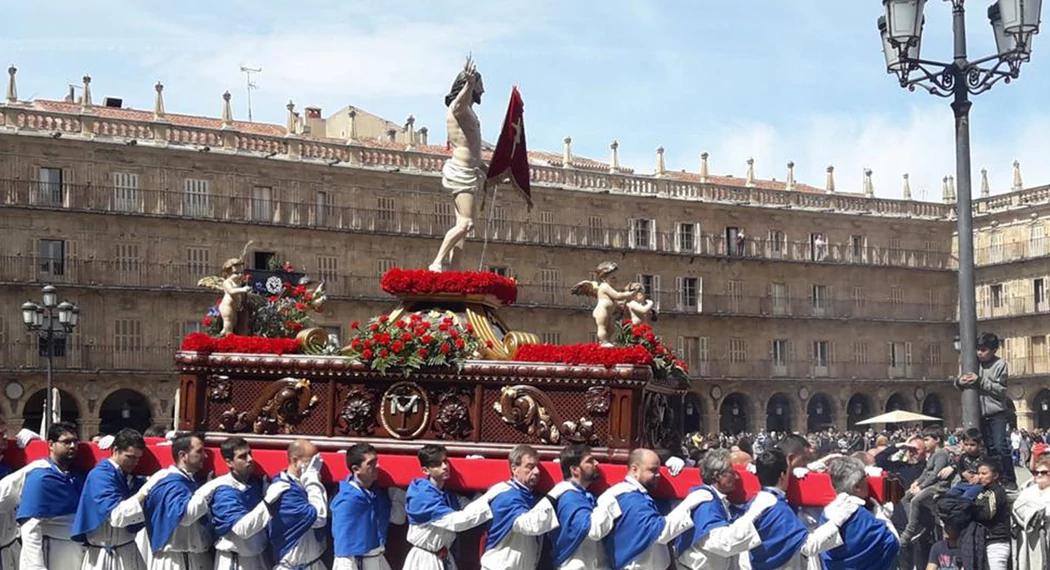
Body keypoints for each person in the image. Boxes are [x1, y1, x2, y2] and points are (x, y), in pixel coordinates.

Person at [590, 448, 699, 570]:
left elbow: (670, 508)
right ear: (635, 469)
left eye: (659, 470)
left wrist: (686, 464)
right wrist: (694, 499)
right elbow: (661, 532)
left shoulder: (644, 495)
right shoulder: (626, 497)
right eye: (653, 470)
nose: (658, 475)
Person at [746, 449, 853, 570]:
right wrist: (838, 520)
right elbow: (808, 546)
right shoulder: (778, 509)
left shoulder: (752, 503)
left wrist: (810, 469)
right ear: (782, 475)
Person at [674, 449, 774, 570]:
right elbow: (723, 544)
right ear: (717, 476)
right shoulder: (706, 503)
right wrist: (756, 510)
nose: (737, 477)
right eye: (732, 472)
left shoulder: (722, 501)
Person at [429, 57, 485, 272]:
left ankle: (454, 269)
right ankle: (436, 262)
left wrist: (488, 170)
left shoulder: (470, 111)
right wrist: (469, 84)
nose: (483, 90)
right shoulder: (458, 108)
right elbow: (458, 105)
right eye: (480, 84)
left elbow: (473, 149)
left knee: (463, 224)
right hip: (461, 171)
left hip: (470, 170)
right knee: (466, 224)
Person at [142, 432, 225, 570]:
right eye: (199, 451)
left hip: (195, 558)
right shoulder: (170, 483)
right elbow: (185, 516)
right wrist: (214, 485)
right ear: (182, 455)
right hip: (176, 561)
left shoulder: (190, 481)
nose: (205, 456)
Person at [404, 444, 493, 570]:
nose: (445, 467)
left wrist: (475, 470)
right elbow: (458, 522)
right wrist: (493, 494)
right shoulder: (421, 496)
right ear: (425, 470)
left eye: (445, 461)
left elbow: (470, 506)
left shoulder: (446, 494)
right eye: (437, 464)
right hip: (424, 559)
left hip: (444, 556)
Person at [72, 428, 149, 570]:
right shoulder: (100, 475)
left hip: (129, 551)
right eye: (130, 457)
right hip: (102, 555)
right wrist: (146, 490)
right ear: (115, 450)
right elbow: (116, 515)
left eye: (138, 458)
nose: (135, 462)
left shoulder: (132, 478)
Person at [18, 421, 87, 570]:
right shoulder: (40, 477)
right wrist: (36, 566)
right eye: (66, 442)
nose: (73, 446)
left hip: (78, 549)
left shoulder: (77, 476)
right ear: (51, 444)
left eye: (75, 441)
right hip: (53, 550)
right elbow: (30, 527)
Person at [478, 444, 558, 570]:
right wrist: (557, 493)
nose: (537, 472)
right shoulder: (505, 495)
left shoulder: (534, 499)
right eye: (530, 467)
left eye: (537, 467)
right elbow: (528, 525)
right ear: (514, 469)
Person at [956, 332, 1016, 490]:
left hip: (996, 412)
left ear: (994, 350)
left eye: (984, 349)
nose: (980, 353)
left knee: (1000, 446)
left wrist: (980, 381)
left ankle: (1010, 479)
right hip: (979, 413)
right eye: (978, 349)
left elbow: (1001, 390)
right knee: (988, 449)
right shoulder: (972, 362)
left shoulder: (1000, 364)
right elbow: (959, 380)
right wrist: (959, 381)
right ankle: (992, 479)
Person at [210, 437, 280, 570]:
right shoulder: (224, 491)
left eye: (250, 454)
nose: (250, 459)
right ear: (229, 462)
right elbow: (242, 529)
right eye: (242, 456)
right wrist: (268, 501)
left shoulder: (255, 484)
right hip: (235, 560)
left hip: (258, 556)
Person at [331, 443, 403, 570]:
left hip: (378, 559)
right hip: (358, 563)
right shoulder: (346, 501)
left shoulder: (375, 494)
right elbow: (343, 546)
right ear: (356, 469)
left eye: (376, 461)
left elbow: (398, 518)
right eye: (371, 463)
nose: (377, 466)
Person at [818, 457, 899, 570]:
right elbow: (892, 543)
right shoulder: (863, 519)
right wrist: (879, 513)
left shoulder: (825, 515)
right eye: (865, 476)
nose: (868, 480)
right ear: (856, 487)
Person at [266, 439, 328, 570]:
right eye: (311, 462)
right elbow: (318, 518)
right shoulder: (283, 490)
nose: (315, 467)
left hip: (315, 564)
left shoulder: (306, 486)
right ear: (295, 461)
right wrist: (312, 479)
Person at [545, 444, 605, 570]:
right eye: (589, 461)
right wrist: (609, 501)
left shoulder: (583, 496)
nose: (595, 464)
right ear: (575, 470)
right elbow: (591, 530)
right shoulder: (570, 497)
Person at [0, 421, 47, 568]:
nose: (6, 437)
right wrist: (31, 467)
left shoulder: (7, 465)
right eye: (0, 434)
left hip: (12, 546)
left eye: (5, 433)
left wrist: (36, 445)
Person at [900, 427, 951, 544]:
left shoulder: (941, 454)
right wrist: (917, 482)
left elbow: (935, 474)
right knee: (905, 497)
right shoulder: (933, 455)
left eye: (927, 440)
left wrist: (921, 487)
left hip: (937, 486)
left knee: (915, 500)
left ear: (937, 440)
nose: (925, 443)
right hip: (927, 484)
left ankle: (910, 531)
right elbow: (925, 473)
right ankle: (913, 523)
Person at [1011, 454, 1050, 570]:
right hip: (1028, 538)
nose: (1038, 475)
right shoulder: (1027, 491)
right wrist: (1034, 513)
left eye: (1043, 472)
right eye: (1035, 472)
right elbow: (1017, 508)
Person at [973, 461, 1010, 570]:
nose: (980, 477)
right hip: (983, 540)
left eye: (984, 474)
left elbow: (986, 514)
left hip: (997, 542)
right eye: (978, 473)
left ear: (995, 475)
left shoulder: (997, 492)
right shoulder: (981, 493)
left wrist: (969, 512)